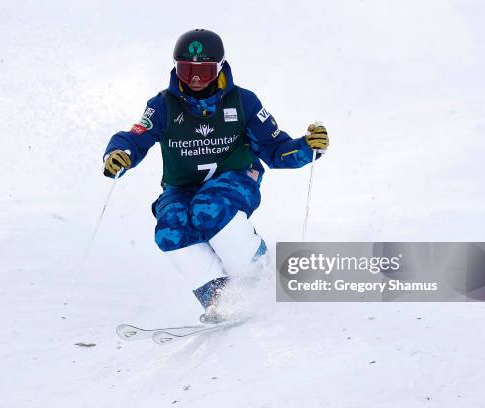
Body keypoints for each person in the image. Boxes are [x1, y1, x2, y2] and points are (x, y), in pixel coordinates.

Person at [103, 29, 329, 322]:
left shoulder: (242, 102)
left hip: (236, 178)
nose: (195, 80)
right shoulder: (162, 106)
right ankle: (221, 299)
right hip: (183, 187)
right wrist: (119, 155)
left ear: (220, 67)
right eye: (186, 71)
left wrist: (306, 147)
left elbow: (274, 149)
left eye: (204, 71)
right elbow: (135, 138)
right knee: (170, 226)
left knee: (209, 207)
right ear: (175, 68)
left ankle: (259, 277)